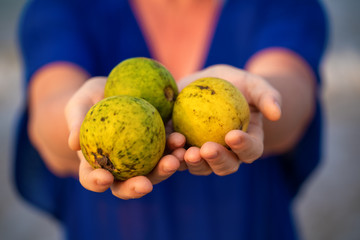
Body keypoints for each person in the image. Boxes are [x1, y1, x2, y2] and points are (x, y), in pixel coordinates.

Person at [14, 0, 327, 239]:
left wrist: (259, 100)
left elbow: (291, 90)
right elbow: (49, 107)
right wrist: (76, 125)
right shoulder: (65, 7)